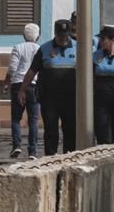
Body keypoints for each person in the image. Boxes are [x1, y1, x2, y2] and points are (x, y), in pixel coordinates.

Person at [22, 19, 80, 154]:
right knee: (51, 130)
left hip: (71, 98)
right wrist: (22, 89)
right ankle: (50, 158)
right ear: (55, 33)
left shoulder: (79, 47)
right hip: (50, 99)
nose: (62, 39)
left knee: (70, 130)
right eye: (60, 36)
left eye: (65, 36)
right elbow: (32, 71)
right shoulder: (44, 48)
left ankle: (69, 158)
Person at [5, 22, 41, 159]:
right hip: (34, 85)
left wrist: (6, 82)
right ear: (38, 36)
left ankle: (16, 146)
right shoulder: (40, 49)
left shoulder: (18, 48)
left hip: (18, 85)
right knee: (33, 120)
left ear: (23, 36)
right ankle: (32, 152)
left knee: (16, 119)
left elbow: (12, 68)